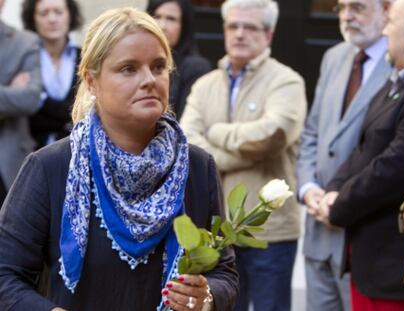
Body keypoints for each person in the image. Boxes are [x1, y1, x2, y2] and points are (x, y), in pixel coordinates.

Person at [0, 7, 238, 311]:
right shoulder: (50, 167)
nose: (149, 79)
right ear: (91, 81)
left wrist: (206, 296)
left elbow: (225, 273)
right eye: (128, 68)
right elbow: (6, 275)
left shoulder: (197, 167)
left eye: (159, 66)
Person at [180, 0, 307, 310]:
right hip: (216, 232)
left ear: (268, 34)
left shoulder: (287, 81)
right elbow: (186, 143)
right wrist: (239, 148)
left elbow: (271, 137)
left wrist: (216, 133)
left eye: (249, 27)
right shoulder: (204, 85)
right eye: (233, 26)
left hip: (270, 233)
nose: (239, 34)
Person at [316, 0, 404, 309]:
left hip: (393, 269)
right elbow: (363, 148)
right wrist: (332, 189)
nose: (385, 31)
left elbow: (394, 167)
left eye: (391, 23)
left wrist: (338, 206)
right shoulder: (394, 83)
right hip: (366, 262)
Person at [296, 0, 392, 310]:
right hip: (318, 232)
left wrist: (342, 200)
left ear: (387, 9)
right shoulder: (334, 57)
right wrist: (308, 189)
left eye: (358, 7)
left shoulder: (402, 62)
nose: (347, 16)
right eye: (342, 7)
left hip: (362, 237)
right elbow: (312, 133)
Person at [21, 0, 83, 149]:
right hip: (31, 151)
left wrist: (40, 99)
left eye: (58, 12)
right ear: (33, 18)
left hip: (78, 149)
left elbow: (85, 109)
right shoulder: (23, 59)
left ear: (70, 15)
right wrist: (66, 118)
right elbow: (25, 112)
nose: (52, 19)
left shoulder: (84, 56)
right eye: (44, 13)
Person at [0, 0, 42, 205]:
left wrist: (19, 97)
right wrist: (9, 92)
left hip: (9, 160)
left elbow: (30, 99)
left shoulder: (25, 42)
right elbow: (18, 99)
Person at [146, 0, 211, 121]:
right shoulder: (139, 61)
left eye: (171, 19)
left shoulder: (196, 67)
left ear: (184, 26)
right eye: (157, 16)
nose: (162, 26)